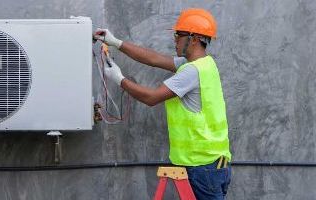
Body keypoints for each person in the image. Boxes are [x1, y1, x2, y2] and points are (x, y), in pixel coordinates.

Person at [94, 8, 231, 199]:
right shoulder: (205, 64)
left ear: (193, 39)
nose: (174, 39)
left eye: (178, 35)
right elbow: (154, 59)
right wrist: (116, 42)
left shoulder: (191, 71)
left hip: (201, 166)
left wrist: (119, 80)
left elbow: (151, 98)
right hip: (215, 163)